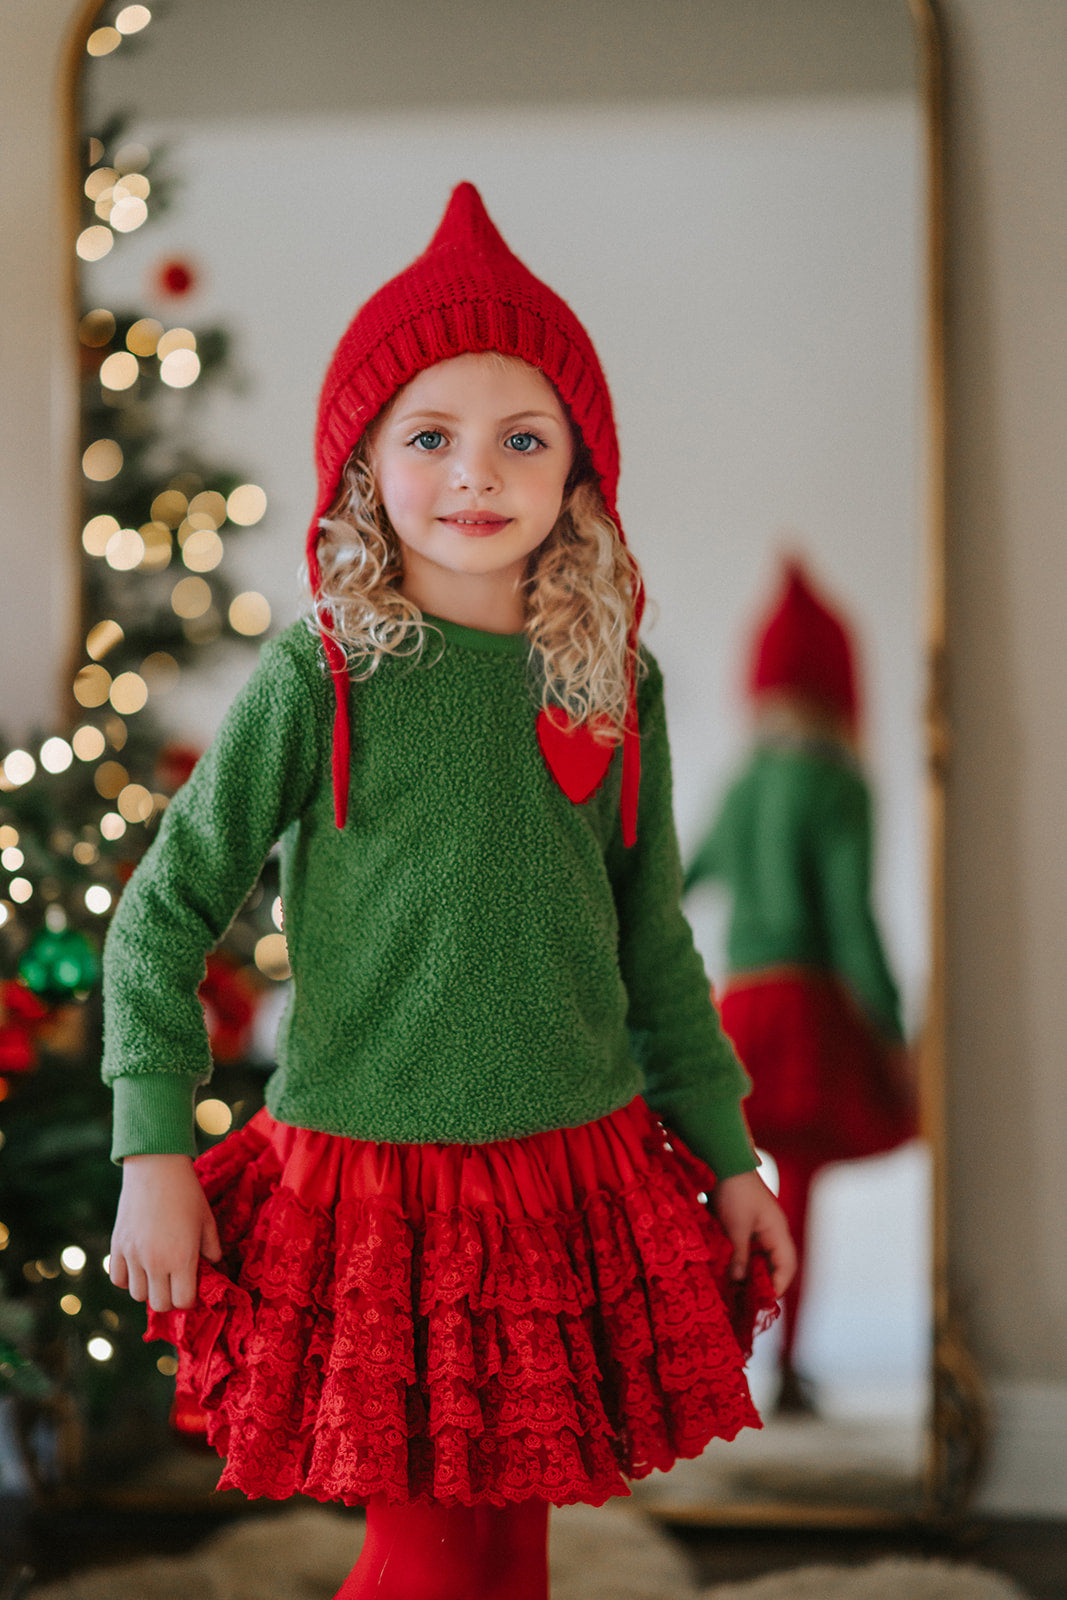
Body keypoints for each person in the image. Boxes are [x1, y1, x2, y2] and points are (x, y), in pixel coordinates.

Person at [103, 183, 794, 1600]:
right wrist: (151, 1150)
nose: (474, 475)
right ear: (364, 465)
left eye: (518, 439)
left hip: (567, 1174)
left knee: (504, 1554)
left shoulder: (613, 680)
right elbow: (163, 915)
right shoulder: (323, 675)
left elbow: (650, 936)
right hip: (380, 1185)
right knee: (422, 1562)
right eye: (431, 438)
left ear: (575, 471)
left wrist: (727, 1155)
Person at [685, 557, 916, 1415]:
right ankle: (784, 1367)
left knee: (725, 1182)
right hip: (812, 1013)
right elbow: (852, 925)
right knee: (800, 1195)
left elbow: (675, 882)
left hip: (741, 1008)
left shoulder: (744, 784)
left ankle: (704, 1353)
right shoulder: (839, 785)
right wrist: (890, 1035)